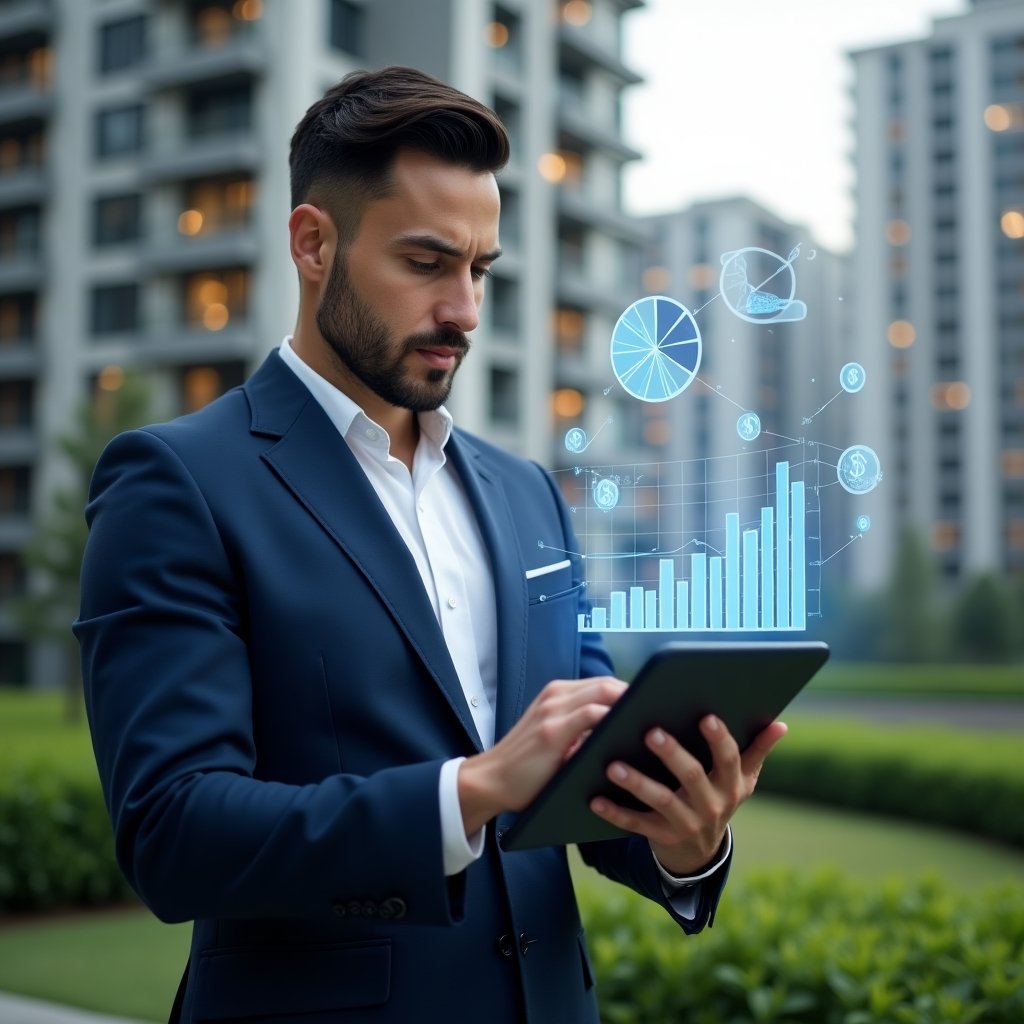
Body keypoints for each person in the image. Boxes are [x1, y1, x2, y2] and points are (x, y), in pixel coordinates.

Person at [74, 66, 786, 1024]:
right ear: (313, 243)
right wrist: (473, 789)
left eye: (480, 268)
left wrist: (684, 839)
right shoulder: (177, 480)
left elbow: (573, 777)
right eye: (426, 263)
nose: (465, 310)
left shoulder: (525, 491)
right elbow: (174, 833)